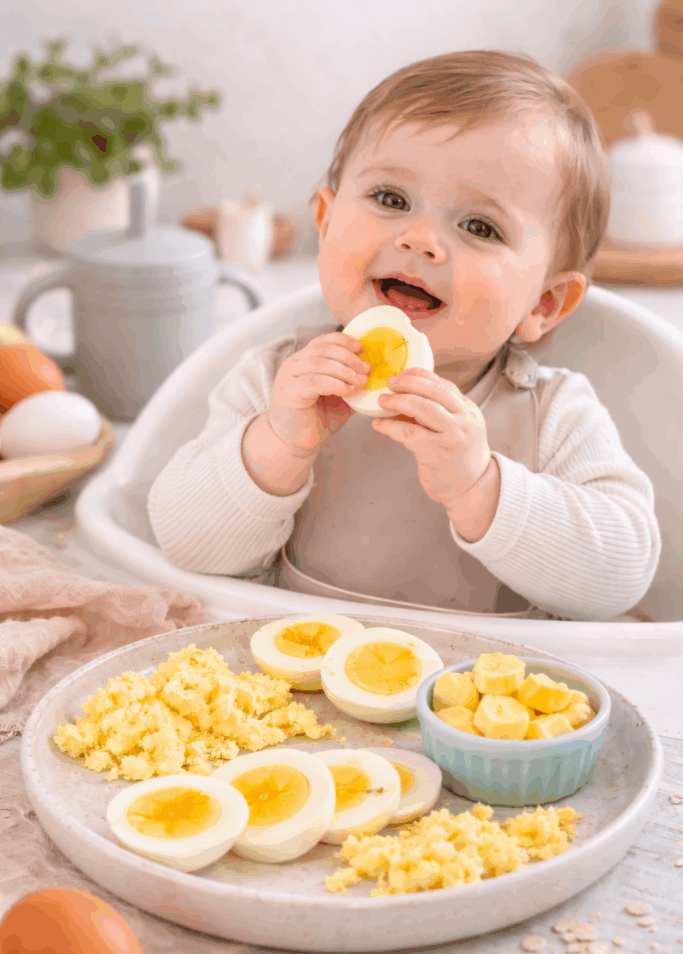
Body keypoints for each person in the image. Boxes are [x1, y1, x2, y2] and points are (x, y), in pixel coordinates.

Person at [148, 50, 661, 621]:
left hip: (482, 702)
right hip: (299, 683)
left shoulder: (555, 412)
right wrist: (278, 446)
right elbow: (185, 545)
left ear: (543, 303)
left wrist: (481, 488)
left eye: (479, 226)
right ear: (325, 224)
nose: (420, 239)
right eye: (391, 199)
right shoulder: (278, 382)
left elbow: (622, 578)